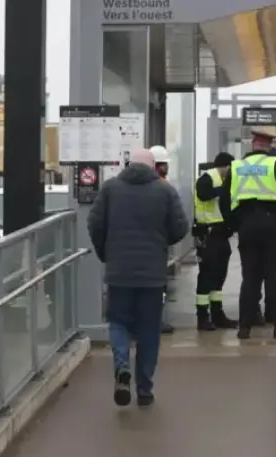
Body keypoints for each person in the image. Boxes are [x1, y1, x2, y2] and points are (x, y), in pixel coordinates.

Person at [87, 148, 189, 407]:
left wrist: (106, 253)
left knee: (118, 322)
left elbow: (94, 224)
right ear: (154, 166)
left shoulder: (110, 189)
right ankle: (144, 389)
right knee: (149, 329)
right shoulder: (165, 191)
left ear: (128, 164)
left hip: (118, 272)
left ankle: (122, 367)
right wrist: (161, 244)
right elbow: (180, 227)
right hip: (153, 276)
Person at [220, 129, 276, 339]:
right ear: (269, 145)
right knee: (273, 275)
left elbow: (224, 201)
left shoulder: (236, 167)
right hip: (273, 226)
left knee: (249, 276)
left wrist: (234, 224)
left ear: (252, 144)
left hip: (247, 226)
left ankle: (245, 327)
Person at [192, 151, 238, 330]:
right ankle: (202, 317)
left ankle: (218, 314)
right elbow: (204, 195)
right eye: (230, 168)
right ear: (224, 166)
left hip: (220, 234)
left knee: (219, 276)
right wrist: (224, 190)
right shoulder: (206, 178)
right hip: (207, 234)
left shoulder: (227, 181)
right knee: (207, 276)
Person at [150, 144, 177, 334]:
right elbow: (177, 221)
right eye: (163, 165)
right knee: (158, 286)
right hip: (157, 246)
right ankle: (156, 322)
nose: (165, 169)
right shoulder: (164, 187)